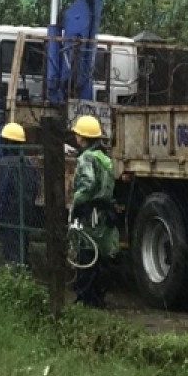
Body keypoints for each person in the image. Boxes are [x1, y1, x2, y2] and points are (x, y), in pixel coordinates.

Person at [70, 115, 118, 308]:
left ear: (82, 137)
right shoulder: (105, 158)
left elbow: (87, 184)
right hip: (104, 212)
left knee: (87, 254)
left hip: (91, 214)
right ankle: (98, 297)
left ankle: (87, 298)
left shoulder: (87, 158)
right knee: (101, 256)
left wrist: (76, 203)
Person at [0, 122, 40, 266]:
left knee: (10, 250)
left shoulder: (4, 163)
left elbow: (1, 190)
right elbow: (34, 188)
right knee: (22, 246)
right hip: (26, 211)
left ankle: (14, 276)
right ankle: (22, 273)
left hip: (8, 213)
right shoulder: (29, 163)